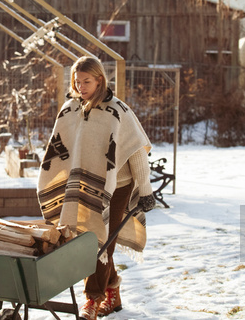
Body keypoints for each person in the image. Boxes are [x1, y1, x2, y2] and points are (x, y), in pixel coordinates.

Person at [37, 56, 156, 320]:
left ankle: (92, 300)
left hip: (118, 188)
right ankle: (112, 291)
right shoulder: (69, 110)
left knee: (100, 245)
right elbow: (59, 148)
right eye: (77, 82)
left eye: (86, 81)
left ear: (100, 79)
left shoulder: (117, 110)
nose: (81, 86)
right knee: (86, 241)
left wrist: (145, 190)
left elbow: (136, 151)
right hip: (81, 185)